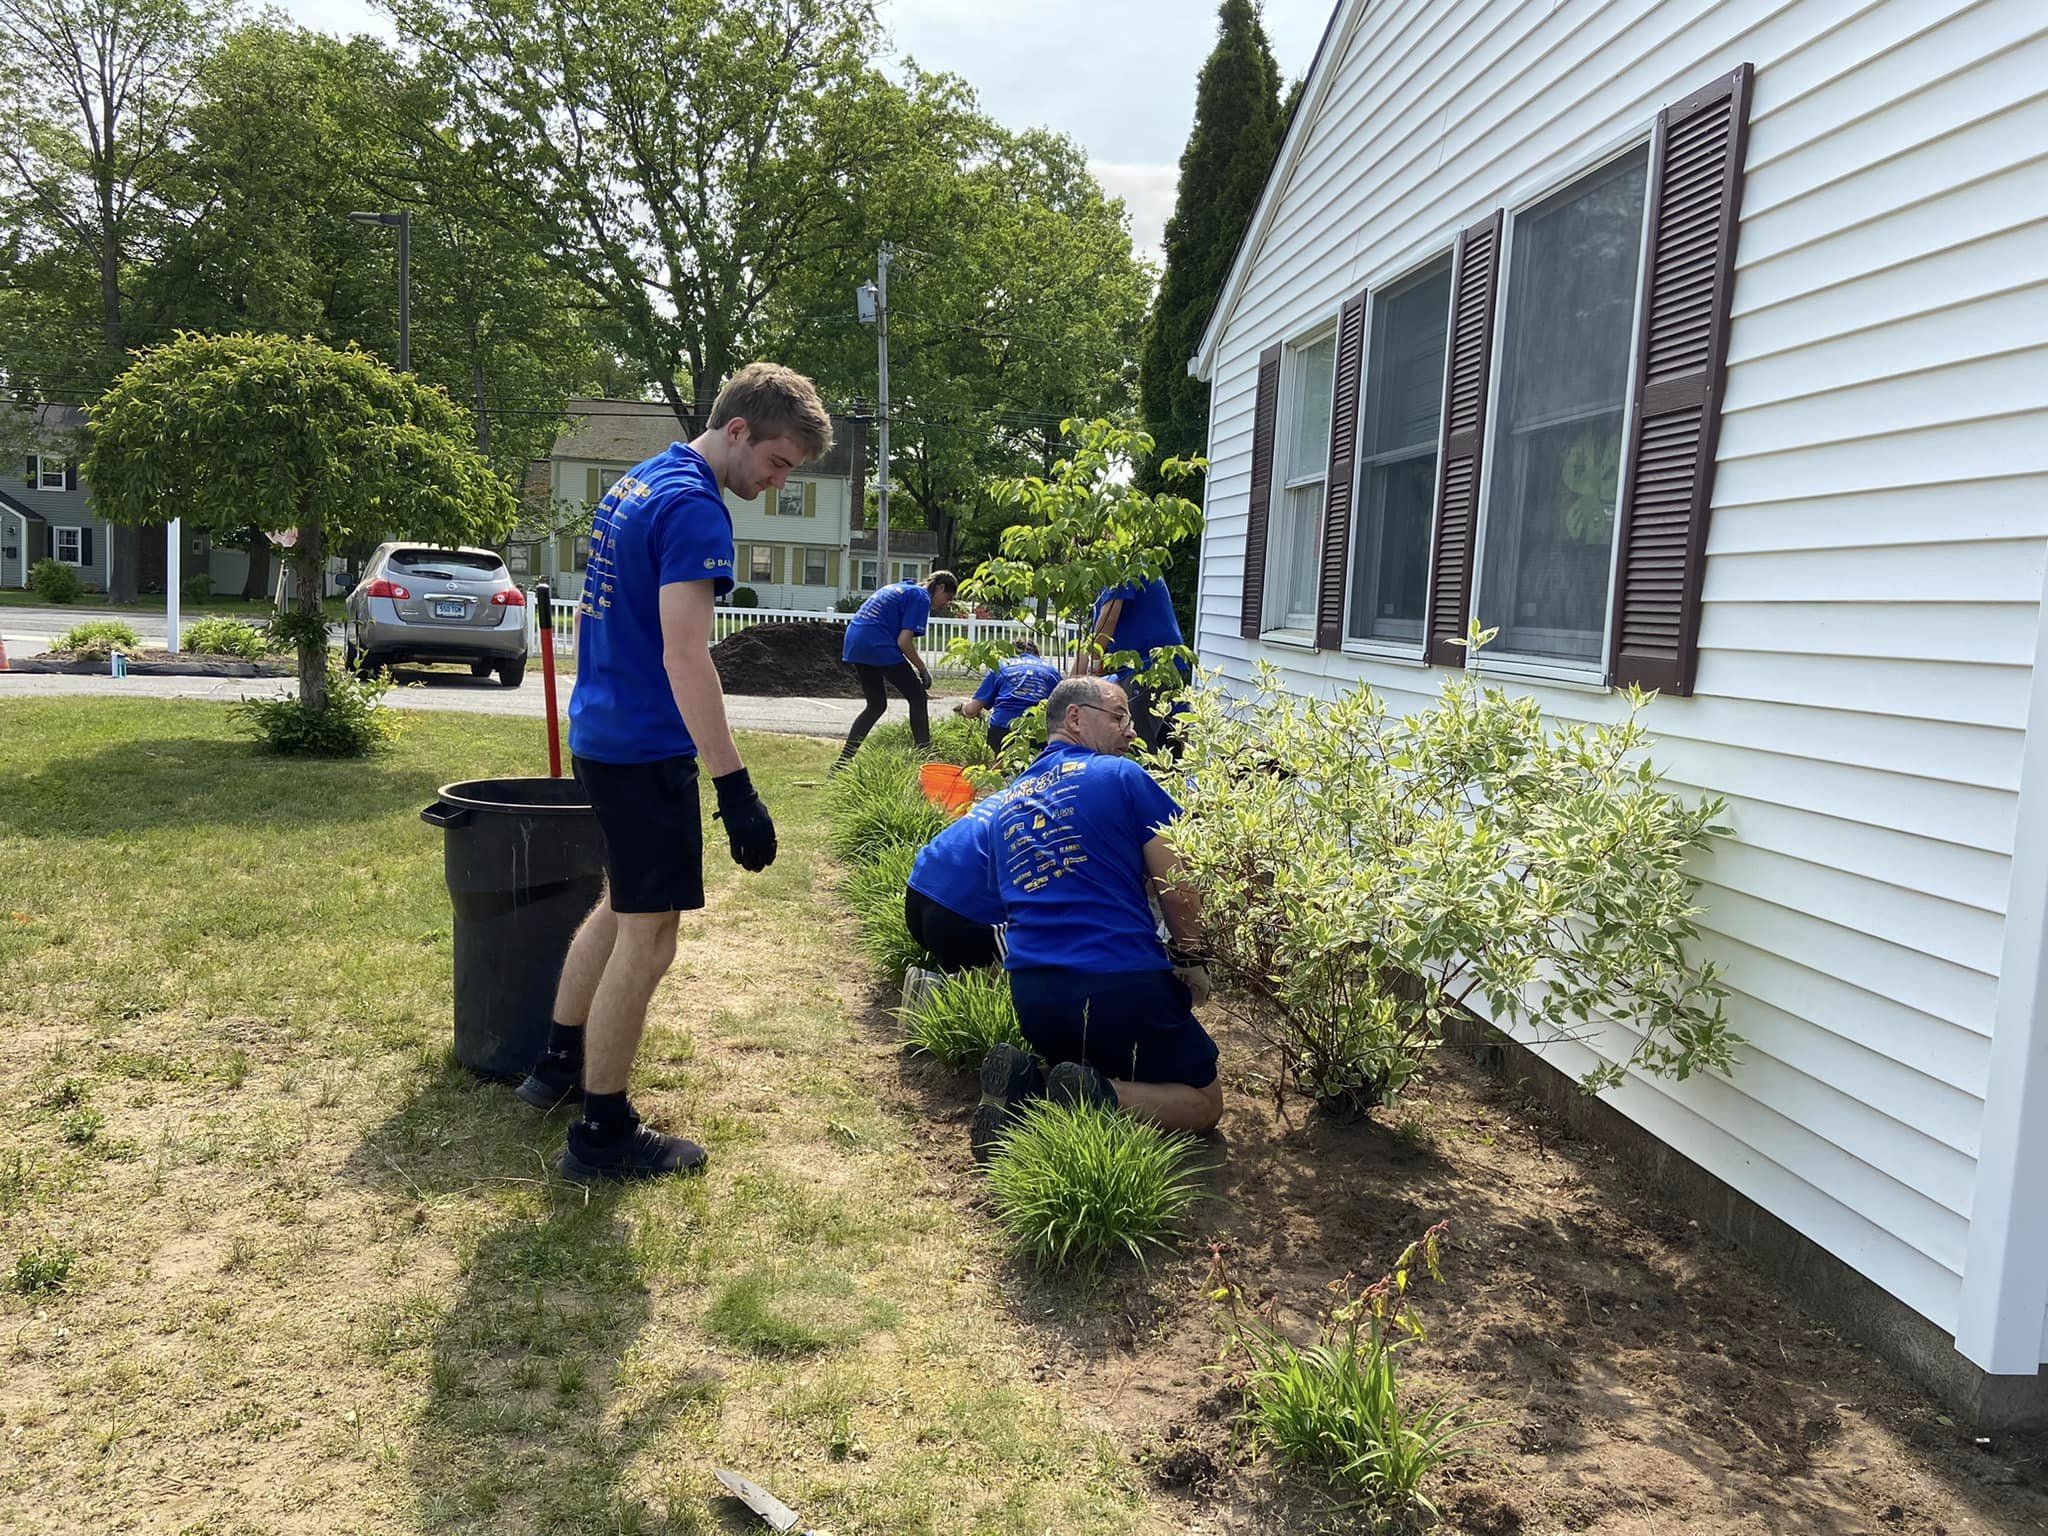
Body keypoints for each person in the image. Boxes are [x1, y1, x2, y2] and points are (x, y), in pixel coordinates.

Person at [514, 362, 832, 1181]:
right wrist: (736, 787)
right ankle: (602, 1132)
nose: (779, 480)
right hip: (644, 746)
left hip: (603, 731)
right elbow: (687, 655)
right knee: (650, 937)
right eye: (779, 462)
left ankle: (556, 1065)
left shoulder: (641, 481)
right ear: (737, 431)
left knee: (624, 907)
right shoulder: (696, 508)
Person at [971, 675, 1221, 1162]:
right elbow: (1178, 883)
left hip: (1033, 992)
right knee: (1204, 1103)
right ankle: (1097, 1096)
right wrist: (1191, 957)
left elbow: (1004, 902)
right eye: (1120, 717)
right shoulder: (1123, 778)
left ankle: (1033, 1087)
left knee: (1085, 1059)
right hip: (1120, 980)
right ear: (1076, 718)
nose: (1131, 731)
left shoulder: (1006, 803)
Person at [835, 570, 958, 765]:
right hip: (878, 644)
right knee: (917, 696)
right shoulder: (921, 596)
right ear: (940, 587)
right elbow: (904, 641)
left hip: (855, 641)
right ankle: (924, 760)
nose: (946, 604)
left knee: (876, 705)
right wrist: (922, 669)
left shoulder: (901, 588)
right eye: (947, 598)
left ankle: (842, 763)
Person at [903, 790, 1008, 973]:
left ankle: (935, 979)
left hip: (916, 898)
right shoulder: (1054, 821)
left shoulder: (1009, 794)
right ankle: (952, 985)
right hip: (960, 921)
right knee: (1055, 937)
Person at [1085, 574, 1190, 754]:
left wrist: (1095, 664)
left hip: (1148, 669)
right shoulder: (1130, 564)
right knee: (1170, 745)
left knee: (1135, 744)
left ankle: (1139, 780)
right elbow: (1089, 642)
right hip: (1159, 668)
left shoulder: (1120, 563)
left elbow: (1109, 618)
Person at [956, 639, 1061, 757]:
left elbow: (971, 710)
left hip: (1002, 729)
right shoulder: (1052, 671)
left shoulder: (1001, 666)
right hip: (1037, 732)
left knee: (1003, 770)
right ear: (1037, 654)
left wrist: (963, 709)